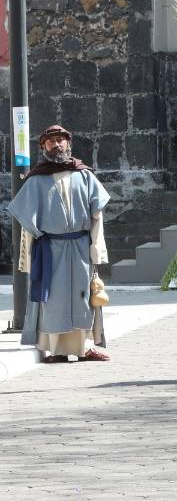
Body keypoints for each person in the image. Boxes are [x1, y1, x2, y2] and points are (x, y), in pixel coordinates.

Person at [11, 125, 110, 363]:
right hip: (51, 250)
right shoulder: (36, 179)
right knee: (53, 300)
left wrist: (96, 249)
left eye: (61, 140)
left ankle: (84, 348)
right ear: (43, 146)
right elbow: (26, 219)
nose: (57, 145)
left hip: (80, 247)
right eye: (51, 141)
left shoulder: (84, 174)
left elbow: (97, 215)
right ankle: (55, 350)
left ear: (69, 143)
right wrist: (29, 257)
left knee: (83, 297)